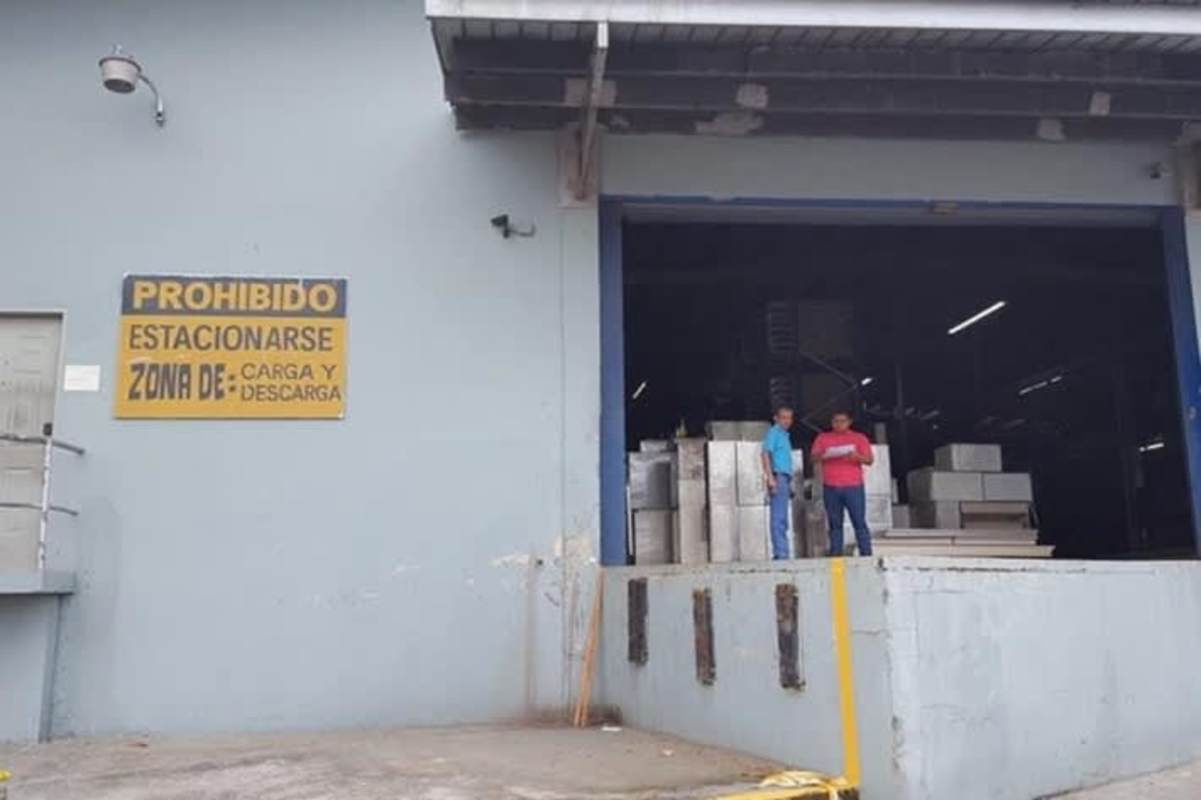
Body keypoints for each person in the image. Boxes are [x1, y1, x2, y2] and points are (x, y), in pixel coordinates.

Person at [811, 411, 875, 557]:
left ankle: (866, 553)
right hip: (831, 486)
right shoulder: (823, 438)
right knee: (834, 523)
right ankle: (836, 554)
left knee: (859, 521)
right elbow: (813, 458)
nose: (839, 424)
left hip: (853, 486)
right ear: (831, 422)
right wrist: (824, 455)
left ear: (849, 422)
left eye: (842, 421)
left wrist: (856, 456)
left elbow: (870, 460)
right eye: (835, 421)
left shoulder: (859, 438)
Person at [760, 405, 795, 560]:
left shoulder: (784, 435)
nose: (787, 421)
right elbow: (765, 454)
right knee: (778, 517)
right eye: (783, 417)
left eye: (789, 418)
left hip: (785, 477)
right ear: (776, 418)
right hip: (778, 476)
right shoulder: (774, 433)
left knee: (783, 518)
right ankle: (781, 553)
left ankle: (782, 551)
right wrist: (771, 478)